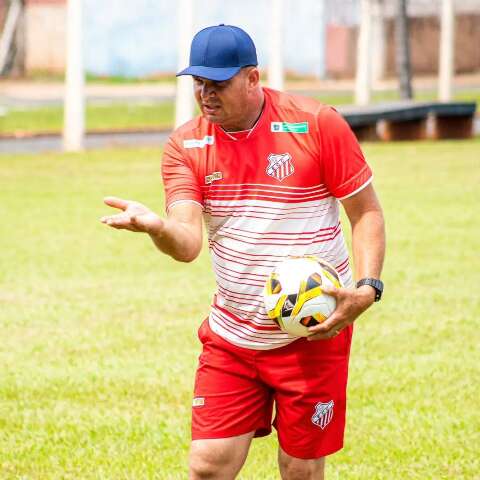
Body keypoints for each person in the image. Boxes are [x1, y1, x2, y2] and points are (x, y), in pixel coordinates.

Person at [101, 24, 385, 480]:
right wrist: (158, 229)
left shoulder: (316, 124)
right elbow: (188, 243)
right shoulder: (186, 145)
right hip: (233, 337)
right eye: (198, 83)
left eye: (218, 84)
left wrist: (368, 288)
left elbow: (366, 212)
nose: (205, 95)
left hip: (312, 334)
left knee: (301, 469)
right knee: (208, 466)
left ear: (253, 78)